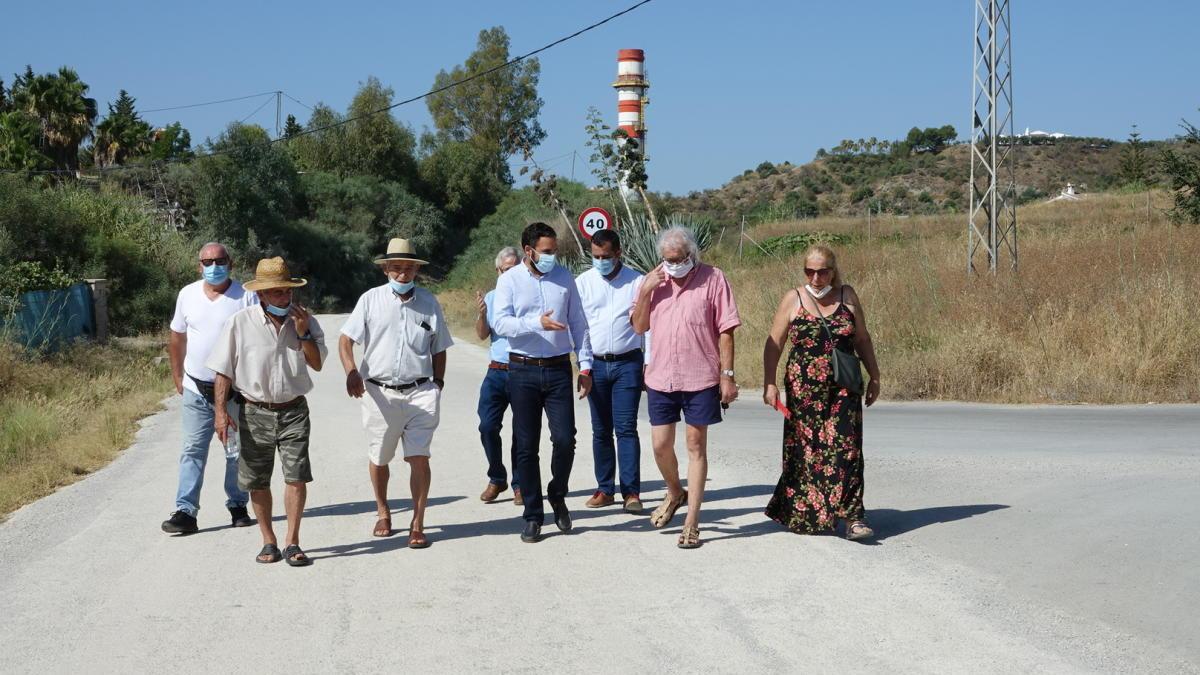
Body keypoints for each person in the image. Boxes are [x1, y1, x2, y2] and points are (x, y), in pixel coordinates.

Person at [207, 257, 326, 566]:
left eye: (287, 291)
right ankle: (268, 540)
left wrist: (302, 334)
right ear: (260, 294)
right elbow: (223, 371)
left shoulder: (305, 321)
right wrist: (221, 413)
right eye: (276, 293)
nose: (283, 298)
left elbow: (317, 363)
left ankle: (292, 541)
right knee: (257, 480)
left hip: (293, 410)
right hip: (254, 411)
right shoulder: (240, 323)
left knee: (296, 476)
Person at [631, 226, 740, 549]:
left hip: (700, 377)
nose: (672, 265)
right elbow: (639, 326)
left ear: (691, 255)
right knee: (660, 446)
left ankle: (692, 522)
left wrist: (727, 375)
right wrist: (646, 291)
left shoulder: (714, 278)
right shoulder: (652, 281)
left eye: (678, 259)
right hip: (661, 377)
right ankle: (675, 491)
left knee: (695, 446)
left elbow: (726, 330)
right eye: (667, 260)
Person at [339, 238, 452, 549]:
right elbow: (346, 340)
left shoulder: (429, 303)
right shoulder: (370, 300)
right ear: (386, 269)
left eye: (409, 268)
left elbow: (439, 347)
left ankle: (417, 524)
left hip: (421, 392)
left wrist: (437, 384)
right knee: (380, 457)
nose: (403, 274)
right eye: (397, 268)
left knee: (419, 457)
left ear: (416, 270)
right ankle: (383, 511)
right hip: (379, 393)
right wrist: (351, 371)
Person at [762, 245, 881, 541]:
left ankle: (853, 516)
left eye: (823, 271)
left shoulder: (847, 296)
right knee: (806, 449)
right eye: (810, 271)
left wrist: (875, 375)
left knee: (848, 448)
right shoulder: (794, 298)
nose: (816, 278)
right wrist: (770, 383)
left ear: (833, 270)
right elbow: (775, 342)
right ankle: (807, 511)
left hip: (844, 387)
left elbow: (862, 338)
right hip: (804, 390)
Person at [492, 222, 592, 543]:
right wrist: (537, 322)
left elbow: (579, 322)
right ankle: (533, 514)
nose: (552, 257)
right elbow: (501, 322)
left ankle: (557, 494)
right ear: (529, 250)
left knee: (565, 439)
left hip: (559, 369)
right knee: (526, 445)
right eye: (546, 252)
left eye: (554, 251)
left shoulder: (564, 278)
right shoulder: (510, 280)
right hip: (521, 370)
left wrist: (586, 366)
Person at [162, 242, 259, 535]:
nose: (213, 267)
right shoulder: (187, 295)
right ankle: (185, 512)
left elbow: (256, 341)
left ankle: (238, 505)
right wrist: (178, 376)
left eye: (218, 261)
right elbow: (177, 337)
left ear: (230, 262)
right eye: (207, 262)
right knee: (192, 449)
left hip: (234, 390)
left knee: (236, 451)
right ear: (198, 266)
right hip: (196, 386)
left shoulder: (246, 296)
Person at [575, 229, 645, 514]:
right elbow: (579, 330)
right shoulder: (583, 283)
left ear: (619, 253)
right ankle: (605, 489)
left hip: (628, 363)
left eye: (606, 256)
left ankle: (631, 493)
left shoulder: (637, 282)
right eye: (596, 256)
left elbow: (646, 327)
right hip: (596, 365)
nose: (601, 261)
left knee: (626, 428)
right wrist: (584, 367)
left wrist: (648, 363)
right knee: (600, 430)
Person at [475, 246, 522, 505]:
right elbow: (482, 335)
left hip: (522, 369)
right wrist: (482, 314)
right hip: (496, 370)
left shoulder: (528, 296)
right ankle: (497, 477)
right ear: (497, 271)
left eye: (514, 269)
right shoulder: (492, 297)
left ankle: (520, 484)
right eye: (505, 270)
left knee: (522, 431)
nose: (510, 274)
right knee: (487, 425)